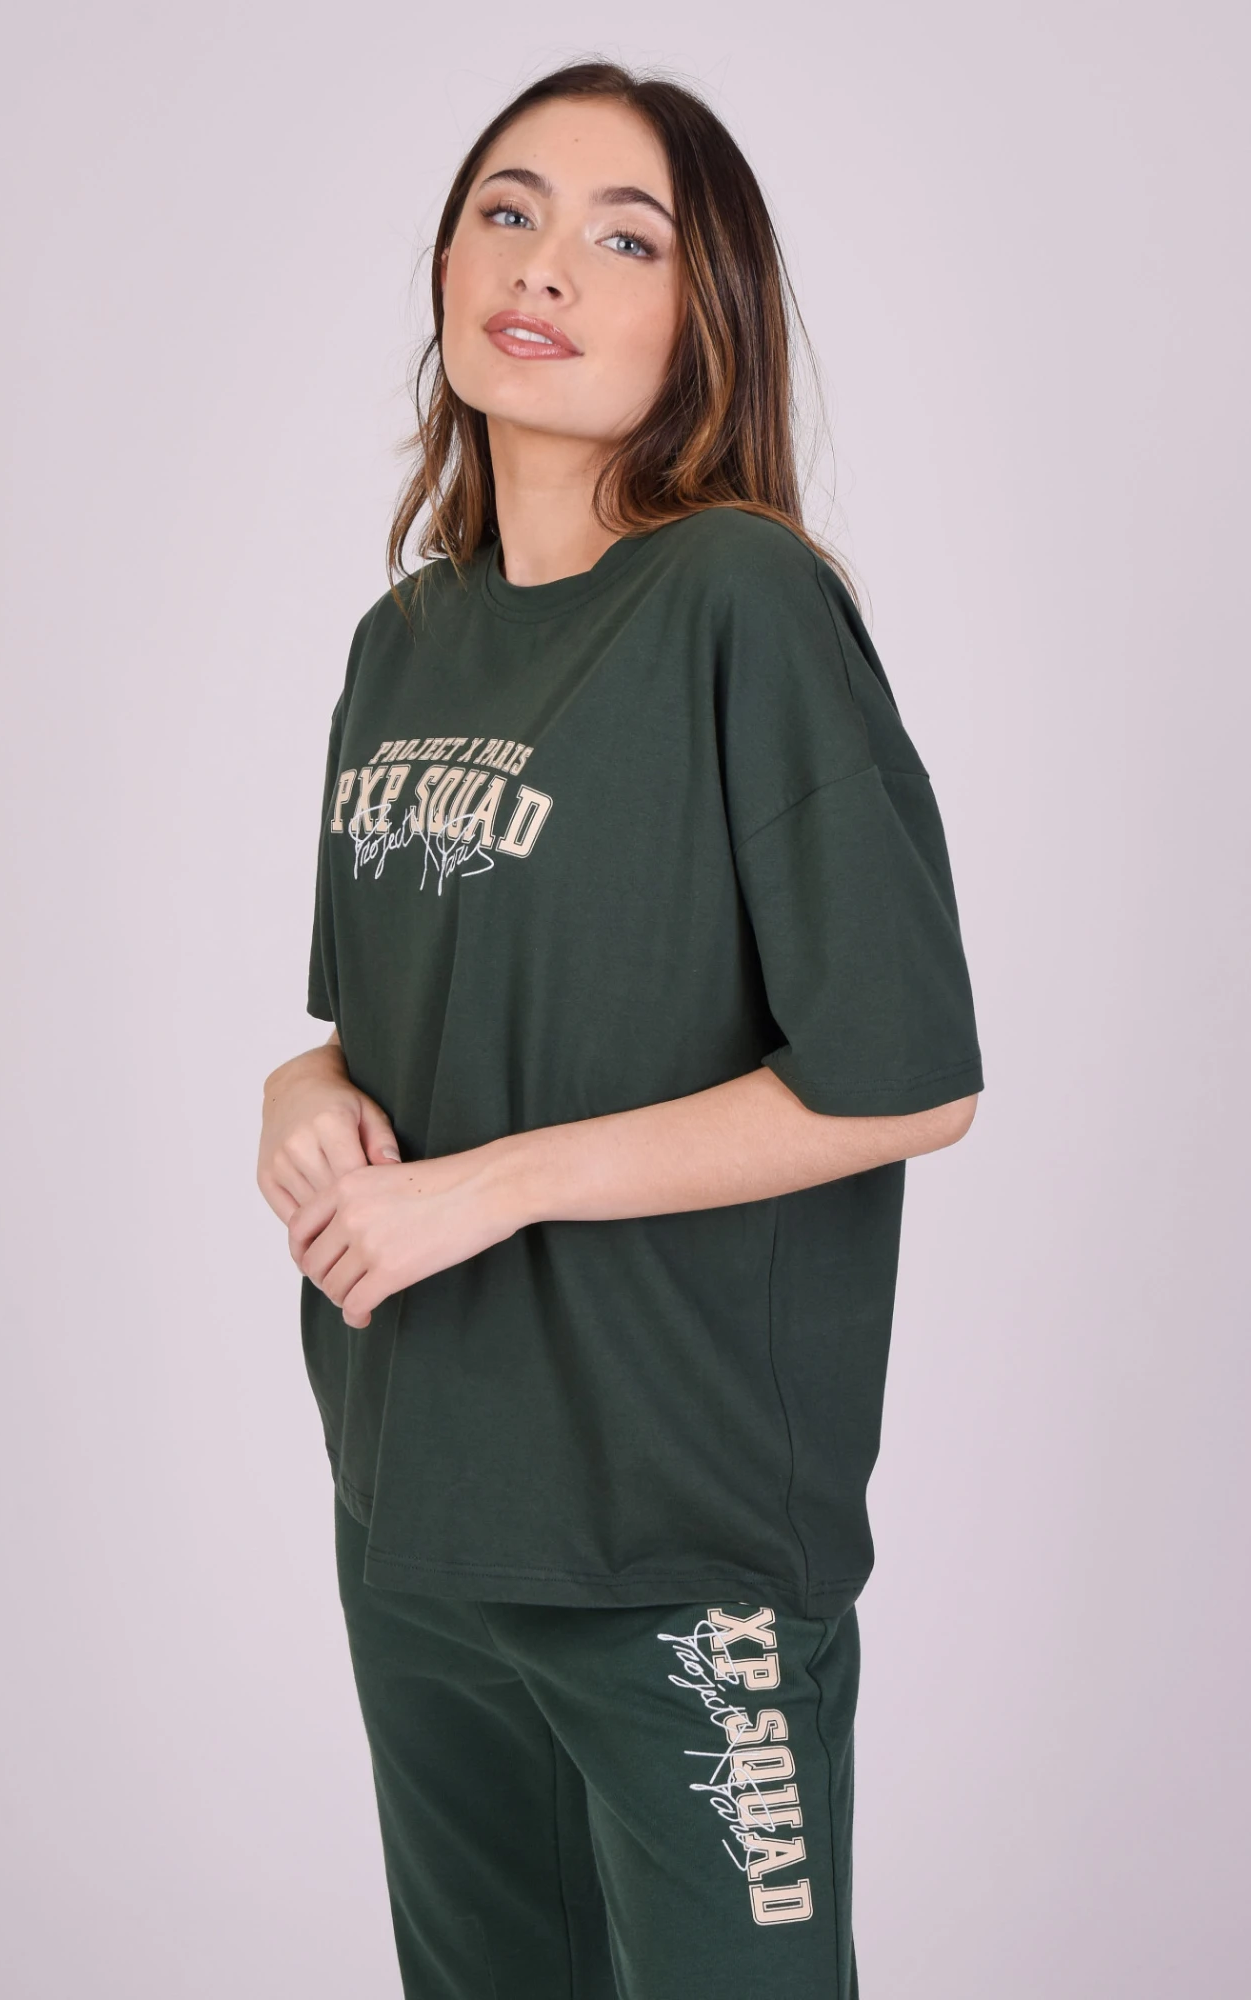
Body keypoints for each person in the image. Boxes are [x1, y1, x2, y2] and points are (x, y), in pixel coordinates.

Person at [256, 58, 983, 2000]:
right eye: (507, 210)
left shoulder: (741, 600)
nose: (547, 264)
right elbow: (381, 1026)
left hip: (673, 1537)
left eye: (624, 236)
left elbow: (905, 1078)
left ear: (701, 315)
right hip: (415, 1501)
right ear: (444, 265)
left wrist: (489, 1189)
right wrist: (297, 1091)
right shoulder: (403, 644)